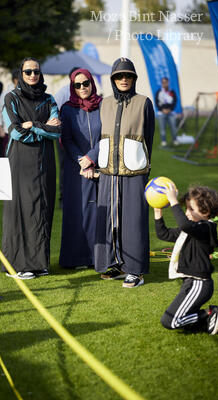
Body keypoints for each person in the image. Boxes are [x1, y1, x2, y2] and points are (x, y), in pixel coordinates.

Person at [94, 57, 155, 288]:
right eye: (119, 76)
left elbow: (148, 137)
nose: (124, 79)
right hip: (109, 171)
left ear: (134, 78)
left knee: (134, 221)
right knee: (110, 219)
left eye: (128, 75)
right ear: (113, 79)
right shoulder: (105, 103)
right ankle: (114, 264)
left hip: (134, 171)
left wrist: (143, 164)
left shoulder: (144, 102)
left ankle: (135, 270)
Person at [2, 57, 61, 280]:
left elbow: (56, 132)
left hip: (44, 162)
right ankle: (20, 265)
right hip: (20, 164)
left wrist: (34, 124)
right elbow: (16, 132)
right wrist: (43, 126)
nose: (33, 75)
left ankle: (39, 263)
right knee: (23, 211)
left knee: (43, 210)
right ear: (21, 74)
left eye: (36, 71)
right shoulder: (11, 98)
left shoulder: (49, 99)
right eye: (28, 72)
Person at [154, 184, 218, 335]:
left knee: (170, 321)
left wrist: (173, 201)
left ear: (206, 211)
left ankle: (209, 313)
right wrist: (158, 211)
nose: (187, 212)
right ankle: (205, 320)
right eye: (186, 209)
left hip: (199, 284)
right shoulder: (192, 228)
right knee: (177, 321)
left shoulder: (206, 228)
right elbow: (164, 234)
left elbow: (184, 224)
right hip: (190, 283)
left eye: (191, 209)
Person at [59, 68, 102, 269]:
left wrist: (91, 157)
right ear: (72, 87)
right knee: (76, 212)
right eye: (78, 85)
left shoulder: (104, 106)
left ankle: (98, 257)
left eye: (86, 83)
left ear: (92, 83)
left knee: (97, 211)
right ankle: (75, 259)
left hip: (100, 165)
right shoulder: (67, 109)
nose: (83, 88)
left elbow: (108, 136)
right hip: (75, 168)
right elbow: (65, 139)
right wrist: (81, 160)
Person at [54, 67, 80, 208]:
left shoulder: (82, 91)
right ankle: (63, 198)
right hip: (64, 137)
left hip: (80, 137)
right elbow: (54, 112)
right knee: (64, 166)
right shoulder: (63, 92)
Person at [0, 69, 20, 154]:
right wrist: (0, 129)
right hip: (8, 131)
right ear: (15, 80)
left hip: (22, 132)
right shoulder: (6, 94)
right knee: (8, 155)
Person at [155, 77, 179, 147]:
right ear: (161, 83)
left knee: (173, 127)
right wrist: (162, 110)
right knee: (162, 128)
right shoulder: (159, 92)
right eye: (163, 82)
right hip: (161, 113)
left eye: (166, 82)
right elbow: (157, 102)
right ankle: (164, 141)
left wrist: (170, 109)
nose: (164, 84)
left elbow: (175, 101)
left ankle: (175, 140)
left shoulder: (172, 91)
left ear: (168, 83)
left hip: (171, 113)